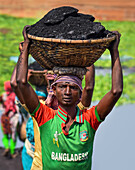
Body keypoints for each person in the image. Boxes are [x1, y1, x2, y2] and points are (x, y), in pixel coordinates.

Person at [11, 25, 123, 169]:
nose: (68, 92)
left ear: (80, 94)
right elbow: (20, 83)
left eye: (73, 88)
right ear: (54, 90)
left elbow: (116, 91)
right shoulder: (45, 116)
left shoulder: (89, 119)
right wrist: (25, 49)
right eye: (62, 87)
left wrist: (114, 51)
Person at [0, 81, 19, 158]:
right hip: (13, 117)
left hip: (4, 117)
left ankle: (6, 147)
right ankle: (12, 151)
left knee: (5, 134)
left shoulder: (3, 95)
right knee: (13, 135)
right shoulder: (15, 96)